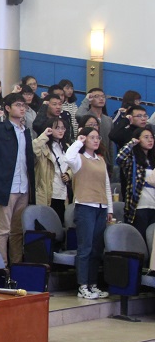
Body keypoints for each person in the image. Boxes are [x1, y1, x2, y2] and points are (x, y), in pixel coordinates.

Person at [0, 93, 36, 264]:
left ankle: (16, 265)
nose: (22, 108)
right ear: (8, 108)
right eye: (18, 105)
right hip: (7, 185)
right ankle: (1, 266)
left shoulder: (25, 131)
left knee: (17, 230)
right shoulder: (0, 128)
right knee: (3, 229)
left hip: (24, 185)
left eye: (23, 105)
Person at [65, 127, 113, 300]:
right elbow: (68, 157)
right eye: (92, 137)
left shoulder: (100, 160)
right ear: (85, 139)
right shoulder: (79, 159)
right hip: (85, 206)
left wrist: (110, 209)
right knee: (85, 248)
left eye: (97, 137)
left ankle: (92, 284)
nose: (96, 140)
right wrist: (79, 141)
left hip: (101, 206)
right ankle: (82, 285)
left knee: (96, 248)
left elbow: (106, 185)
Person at [32, 118, 72, 222]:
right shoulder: (44, 146)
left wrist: (69, 174)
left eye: (63, 128)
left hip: (63, 192)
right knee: (47, 224)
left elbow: (74, 166)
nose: (61, 131)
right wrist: (44, 135)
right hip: (48, 191)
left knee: (61, 224)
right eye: (57, 128)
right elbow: (33, 149)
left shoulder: (67, 147)